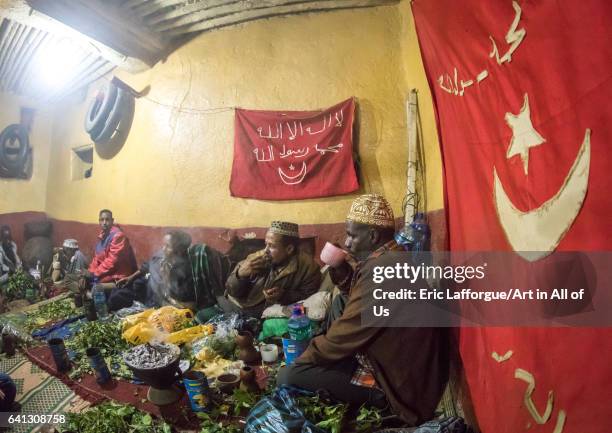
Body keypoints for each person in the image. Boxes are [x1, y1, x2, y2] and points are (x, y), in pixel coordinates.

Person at [277, 194, 449, 426]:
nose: (347, 243)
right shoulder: (391, 256)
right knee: (339, 305)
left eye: (351, 236)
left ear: (373, 236)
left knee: (288, 376)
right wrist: (342, 271)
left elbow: (348, 330)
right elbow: (360, 299)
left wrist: (304, 358)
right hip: (398, 365)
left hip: (399, 388)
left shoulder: (385, 267)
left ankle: (382, 403)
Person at [118, 230, 233, 312]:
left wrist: (166, 278)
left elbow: (184, 303)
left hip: (170, 305)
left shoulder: (187, 270)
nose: (163, 249)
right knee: (119, 296)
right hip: (151, 296)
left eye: (167, 246)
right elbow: (147, 266)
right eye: (163, 245)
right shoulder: (163, 258)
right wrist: (130, 277)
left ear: (179, 250)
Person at [225, 221, 321, 318]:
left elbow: (308, 297)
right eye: (266, 244)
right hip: (241, 307)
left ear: (289, 249)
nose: (265, 250)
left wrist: (283, 295)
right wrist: (240, 275)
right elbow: (231, 291)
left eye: (271, 246)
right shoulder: (256, 258)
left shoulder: (308, 267)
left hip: (271, 314)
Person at [85, 209, 137, 311]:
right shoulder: (102, 236)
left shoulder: (118, 236)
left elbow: (111, 261)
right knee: (80, 280)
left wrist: (95, 274)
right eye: (102, 220)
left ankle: (101, 310)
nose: (104, 222)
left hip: (118, 278)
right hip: (106, 274)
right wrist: (90, 272)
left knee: (96, 288)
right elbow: (96, 259)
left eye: (107, 220)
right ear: (99, 221)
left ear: (112, 221)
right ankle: (90, 300)